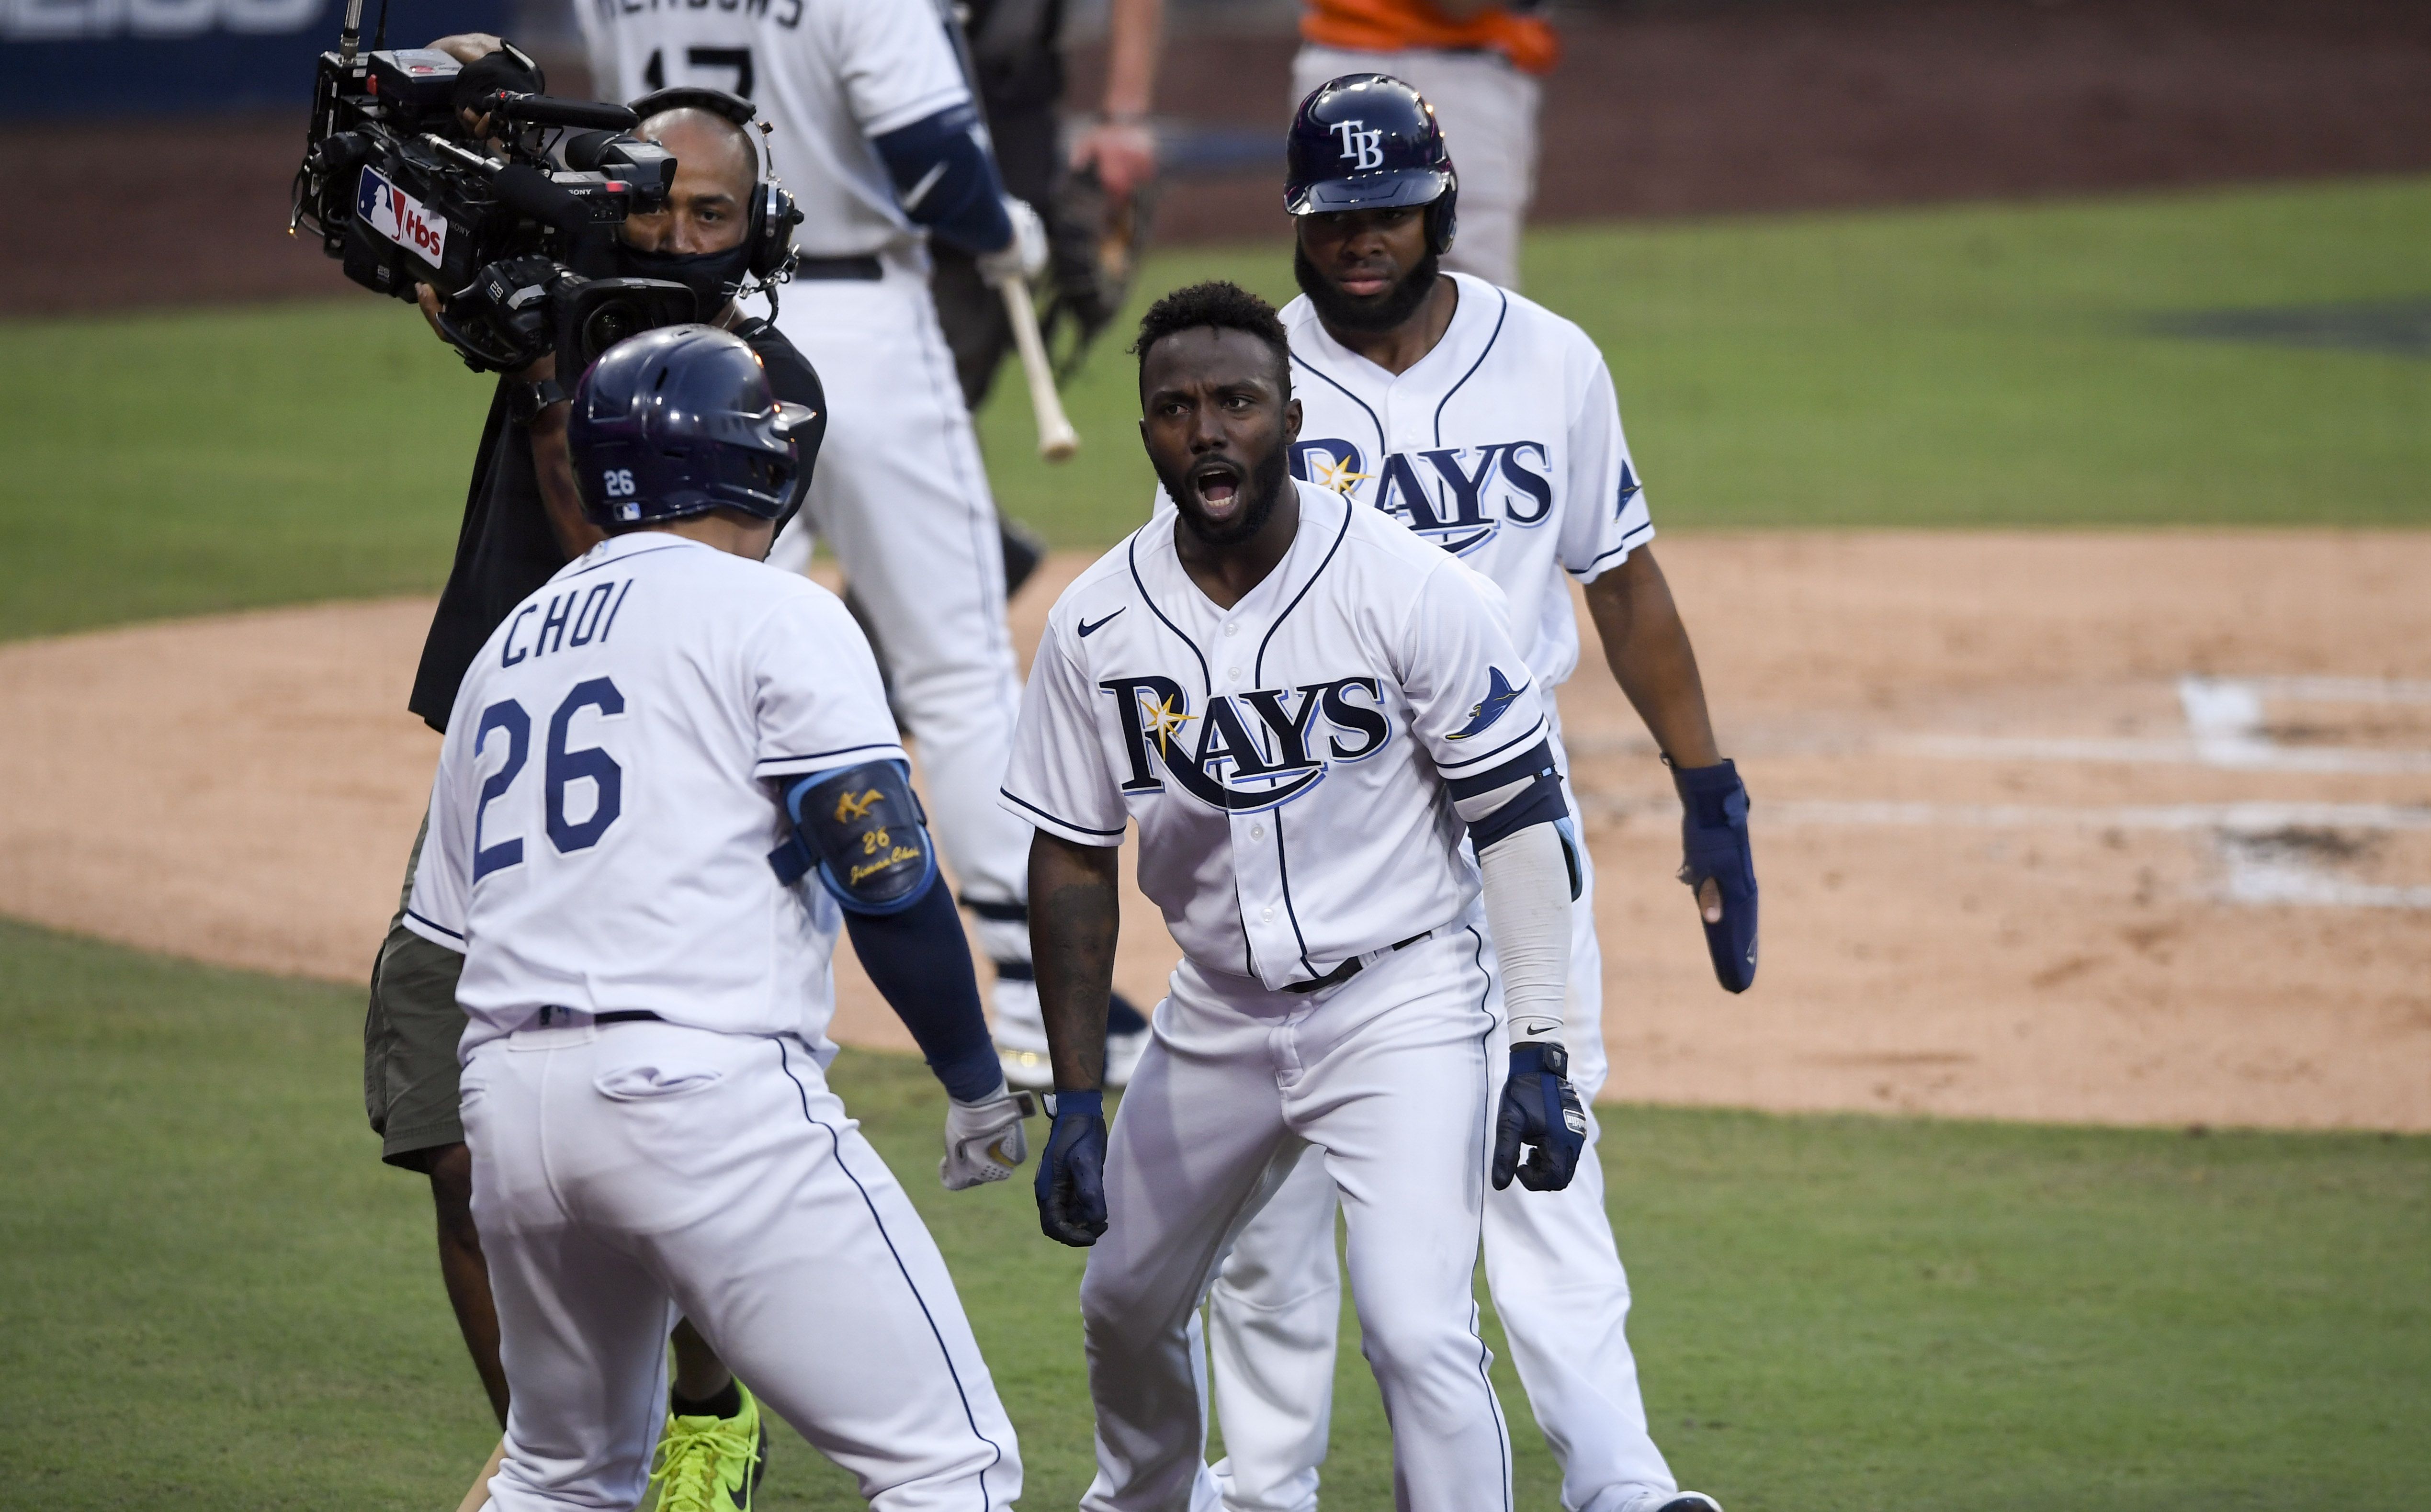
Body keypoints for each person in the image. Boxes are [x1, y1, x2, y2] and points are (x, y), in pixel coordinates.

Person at [1197, 75, 1753, 1512]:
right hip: (1314, 818)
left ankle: (1620, 1480)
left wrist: (1710, 786)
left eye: (1388, 212)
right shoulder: (1245, 377)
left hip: (1515, 816)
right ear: (1298, 222)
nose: (1361, 242)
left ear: (1440, 203)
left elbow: (1619, 581)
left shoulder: (1552, 361)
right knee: (1276, 1182)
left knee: (1547, 1144)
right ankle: (1256, 1487)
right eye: (1334, 219)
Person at [404, 322, 1028, 1511]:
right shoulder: (776, 614)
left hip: (511, 1110)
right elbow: (885, 876)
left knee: (561, 1474)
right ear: (759, 467)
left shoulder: (503, 656)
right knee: (951, 1466)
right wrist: (973, 1077)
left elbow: (444, 932)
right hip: (696, 1099)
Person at [1009, 279, 1595, 1510]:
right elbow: (1070, 853)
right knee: (1122, 1301)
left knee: (1416, 1331)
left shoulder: (1410, 588)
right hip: (1215, 1013)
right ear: (1145, 434)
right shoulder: (1096, 624)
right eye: (1174, 409)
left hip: (1401, 1003)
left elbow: (1519, 817)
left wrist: (1538, 1045)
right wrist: (1074, 1096)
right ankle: (1147, 1499)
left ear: (1290, 414)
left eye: (1235, 401)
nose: (1207, 430)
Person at [361, 49, 840, 1507]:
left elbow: (620, 554)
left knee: (655, 1153)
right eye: (649, 207)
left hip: (658, 821)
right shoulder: (544, 303)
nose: (675, 236)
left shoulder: (765, 388)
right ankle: (565, 1450)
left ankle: (706, 1399)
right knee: (447, 1140)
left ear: (756, 232)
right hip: (498, 801)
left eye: (712, 214)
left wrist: (547, 364)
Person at [575, 0, 1154, 1093]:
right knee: (955, 665)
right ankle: (1035, 993)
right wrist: (1008, 233)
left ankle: (701, 970)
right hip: (859, 320)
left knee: (707, 656)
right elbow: (935, 160)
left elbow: (628, 139)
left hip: (680, 321)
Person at [1091, 0, 1553, 289]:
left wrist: (1123, 113)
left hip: (1357, 58)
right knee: (1464, 317)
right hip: (1433, 67)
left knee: (1352, 307)